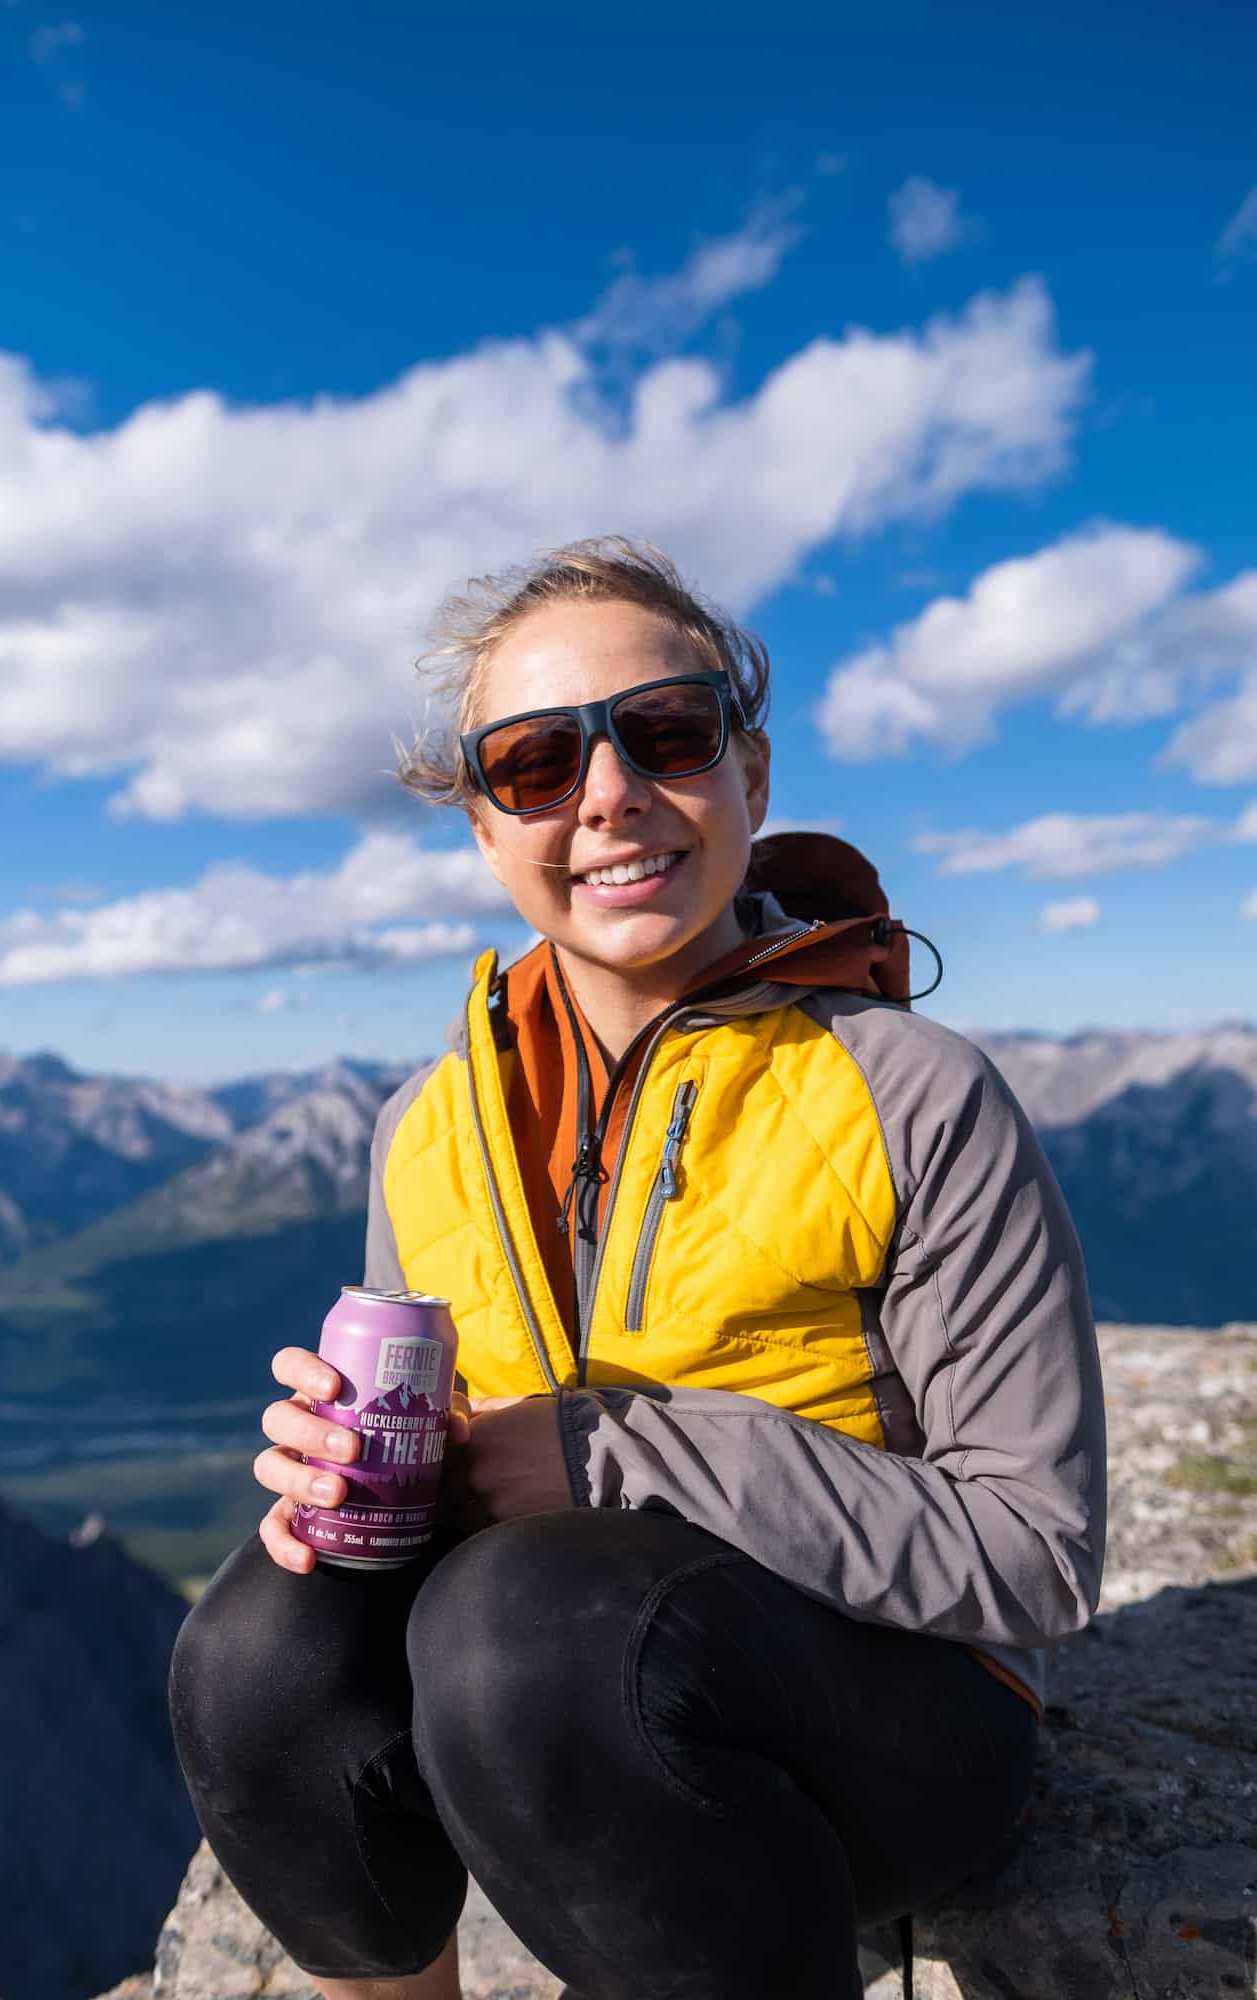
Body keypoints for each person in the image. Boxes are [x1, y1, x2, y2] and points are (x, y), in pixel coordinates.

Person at [169, 538, 1107, 2000]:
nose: (606, 793)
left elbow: (1033, 1555)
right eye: (536, 764)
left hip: (891, 1713)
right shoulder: (428, 1127)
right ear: (486, 829)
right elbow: (456, 1491)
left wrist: (617, 1457)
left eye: (664, 732)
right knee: (254, 1654)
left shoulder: (907, 1091)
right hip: (554, 1713)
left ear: (751, 776)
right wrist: (355, 1476)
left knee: (520, 1639)